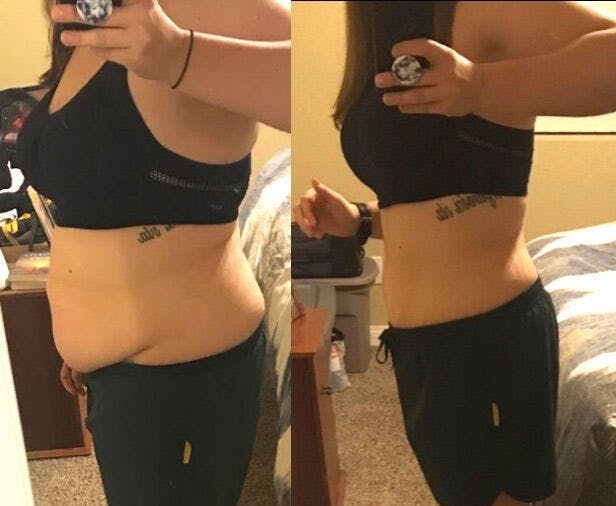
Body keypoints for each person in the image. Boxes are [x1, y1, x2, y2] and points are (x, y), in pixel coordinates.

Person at [294, 2, 615, 505]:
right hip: (423, 349)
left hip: (488, 340)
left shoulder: (478, 8)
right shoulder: (379, 25)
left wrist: (482, 85)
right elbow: (432, 205)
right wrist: (358, 221)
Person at [16, 1, 290, 505]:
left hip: (183, 374)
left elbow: (316, 98)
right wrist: (86, 331)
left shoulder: (208, 7)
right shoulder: (86, 18)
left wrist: (182, 55)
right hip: (122, 377)